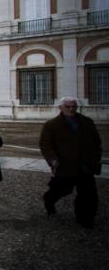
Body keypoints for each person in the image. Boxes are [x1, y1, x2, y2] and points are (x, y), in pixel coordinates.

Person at [39, 97, 103, 228]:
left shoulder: (87, 122)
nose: (71, 109)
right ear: (61, 108)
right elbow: (45, 145)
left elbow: (96, 143)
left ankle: (85, 218)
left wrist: (95, 158)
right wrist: (52, 159)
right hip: (64, 166)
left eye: (73, 106)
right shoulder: (51, 125)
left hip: (85, 166)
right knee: (60, 190)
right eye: (68, 106)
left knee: (88, 194)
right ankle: (49, 200)